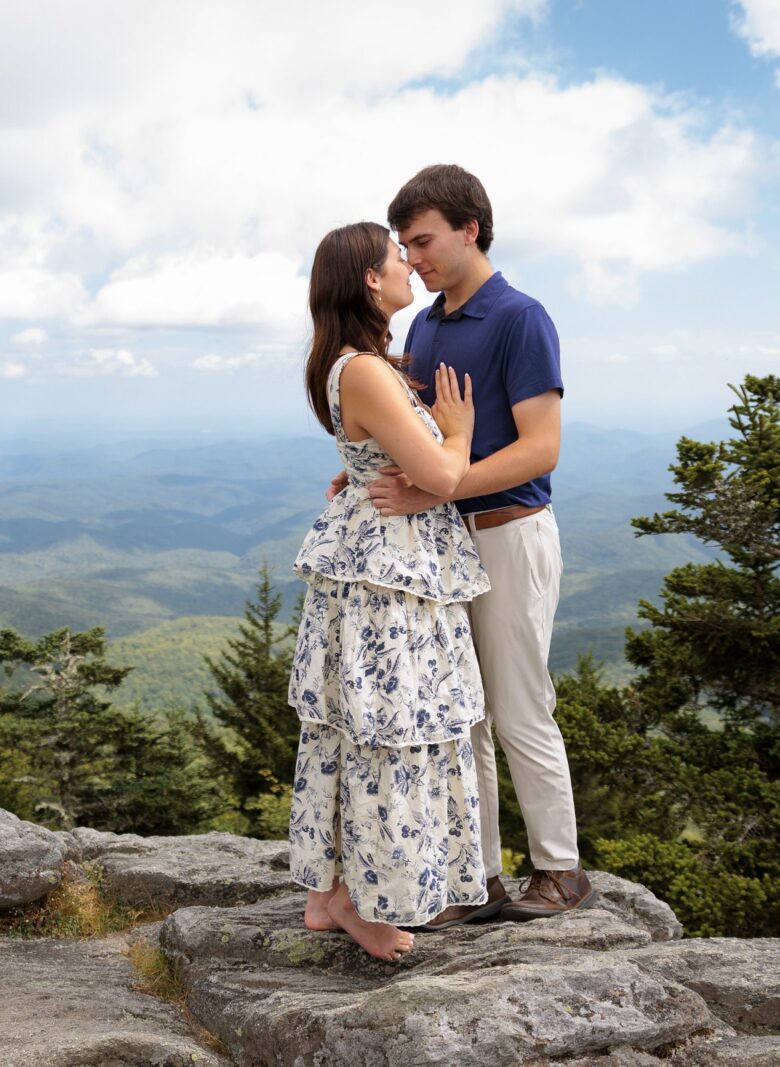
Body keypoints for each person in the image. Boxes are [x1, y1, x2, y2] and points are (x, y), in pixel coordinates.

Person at [329, 164, 593, 927]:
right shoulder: (427, 324)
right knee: (460, 713)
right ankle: (474, 877)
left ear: (470, 228)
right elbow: (409, 432)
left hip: (509, 532)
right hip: (445, 545)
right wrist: (357, 474)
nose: (412, 259)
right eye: (405, 247)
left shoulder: (521, 317)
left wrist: (442, 485)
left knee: (517, 707)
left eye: (423, 241)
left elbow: (541, 449)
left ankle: (561, 870)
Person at [288, 221, 492, 961]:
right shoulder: (366, 369)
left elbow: (376, 451)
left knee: (358, 724)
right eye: (395, 257)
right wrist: (458, 432)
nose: (409, 265)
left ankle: (326, 894)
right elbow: (440, 477)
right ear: (370, 281)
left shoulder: (348, 363)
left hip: (368, 558)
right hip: (390, 570)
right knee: (390, 727)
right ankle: (355, 899)